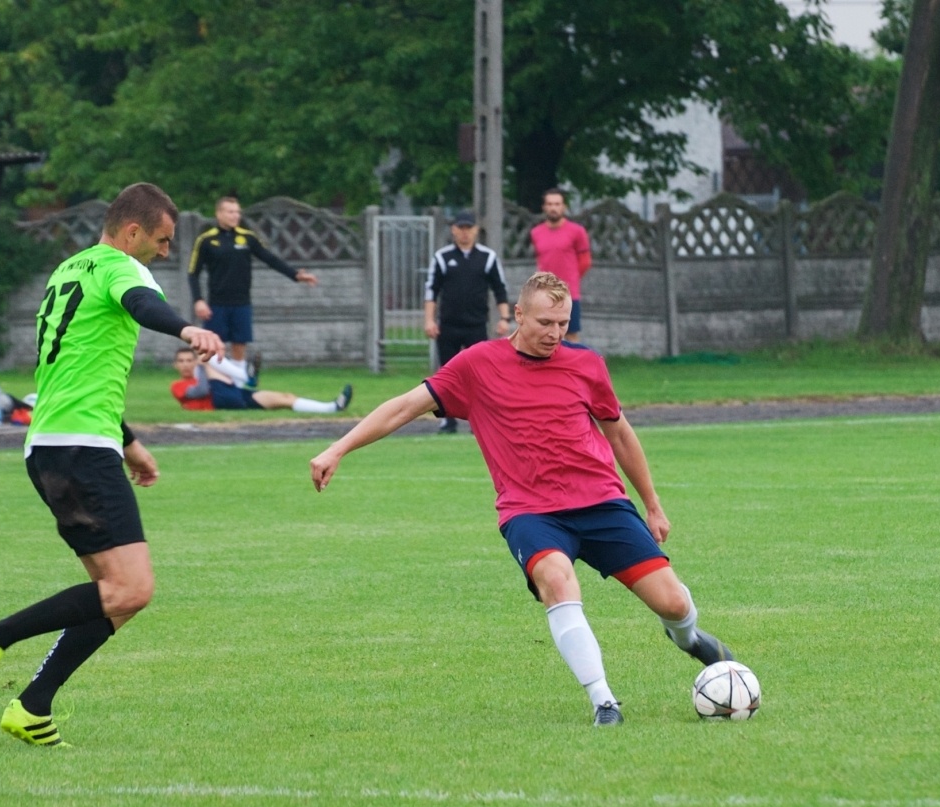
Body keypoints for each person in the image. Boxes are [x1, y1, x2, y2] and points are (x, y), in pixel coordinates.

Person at [311, 271, 736, 727]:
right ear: (517, 315)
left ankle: (689, 638)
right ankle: (604, 702)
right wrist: (338, 448)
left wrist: (651, 503)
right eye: (545, 323)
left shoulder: (587, 365)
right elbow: (402, 407)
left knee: (672, 603)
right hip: (530, 511)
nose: (554, 334)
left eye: (562, 323)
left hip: (601, 502)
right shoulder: (476, 365)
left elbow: (620, 435)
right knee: (557, 581)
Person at [0, 182, 224, 748]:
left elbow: (75, 371)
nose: (166, 252)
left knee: (114, 593)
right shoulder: (121, 268)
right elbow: (141, 304)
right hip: (77, 449)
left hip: (59, 442)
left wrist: (127, 441)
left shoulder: (69, 269)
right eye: (163, 240)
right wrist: (185, 327)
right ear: (132, 232)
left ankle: (32, 706)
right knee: (132, 589)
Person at [188, 195, 318, 382]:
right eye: (230, 212)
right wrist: (198, 300)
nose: (235, 216)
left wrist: (295, 275)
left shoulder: (247, 237)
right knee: (212, 348)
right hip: (216, 304)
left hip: (242, 303)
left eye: (237, 212)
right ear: (219, 214)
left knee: (240, 345)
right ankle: (233, 380)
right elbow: (193, 273)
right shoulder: (206, 240)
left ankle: (241, 386)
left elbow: (270, 258)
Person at [424, 210, 510, 433]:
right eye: (460, 228)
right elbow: (431, 290)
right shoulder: (442, 257)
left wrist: (504, 318)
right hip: (449, 325)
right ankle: (447, 419)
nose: (464, 233)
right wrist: (429, 320)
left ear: (476, 230)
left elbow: (499, 289)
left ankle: (478, 418)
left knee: (478, 375)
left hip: (476, 325)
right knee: (446, 375)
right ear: (453, 230)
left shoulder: (487, 257)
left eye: (468, 228)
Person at [170, 346, 352, 413]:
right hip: (221, 400)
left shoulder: (206, 374)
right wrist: (203, 365)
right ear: (175, 365)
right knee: (208, 357)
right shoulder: (178, 386)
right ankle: (246, 376)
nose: (186, 365)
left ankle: (333, 407)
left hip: (234, 394)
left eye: (189, 361)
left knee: (284, 398)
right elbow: (201, 390)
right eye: (181, 361)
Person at [529, 189, 590, 341]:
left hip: (568, 293)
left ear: (563, 207)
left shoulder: (577, 231)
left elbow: (585, 261)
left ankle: (573, 365)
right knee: (543, 333)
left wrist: (571, 279)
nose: (553, 208)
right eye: (549, 204)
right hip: (544, 293)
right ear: (544, 207)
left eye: (557, 204)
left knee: (570, 334)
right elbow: (541, 260)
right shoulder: (536, 233)